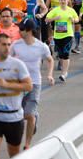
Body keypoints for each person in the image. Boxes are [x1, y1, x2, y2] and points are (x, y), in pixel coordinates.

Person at [11, 19, 53, 149]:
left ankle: (27, 144)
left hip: (34, 83)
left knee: (28, 115)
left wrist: (50, 75)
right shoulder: (16, 45)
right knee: (20, 114)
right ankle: (34, 116)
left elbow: (50, 60)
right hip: (19, 83)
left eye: (22, 29)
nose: (19, 31)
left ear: (29, 31)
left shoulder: (41, 46)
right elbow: (8, 59)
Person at [45, 0, 79, 82]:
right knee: (60, 54)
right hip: (57, 35)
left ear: (68, 1)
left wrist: (73, 20)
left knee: (66, 53)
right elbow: (46, 19)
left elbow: (77, 19)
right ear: (59, 1)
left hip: (68, 35)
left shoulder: (71, 10)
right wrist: (54, 19)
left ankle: (64, 73)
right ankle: (63, 67)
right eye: (61, 0)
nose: (63, 1)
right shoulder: (55, 10)